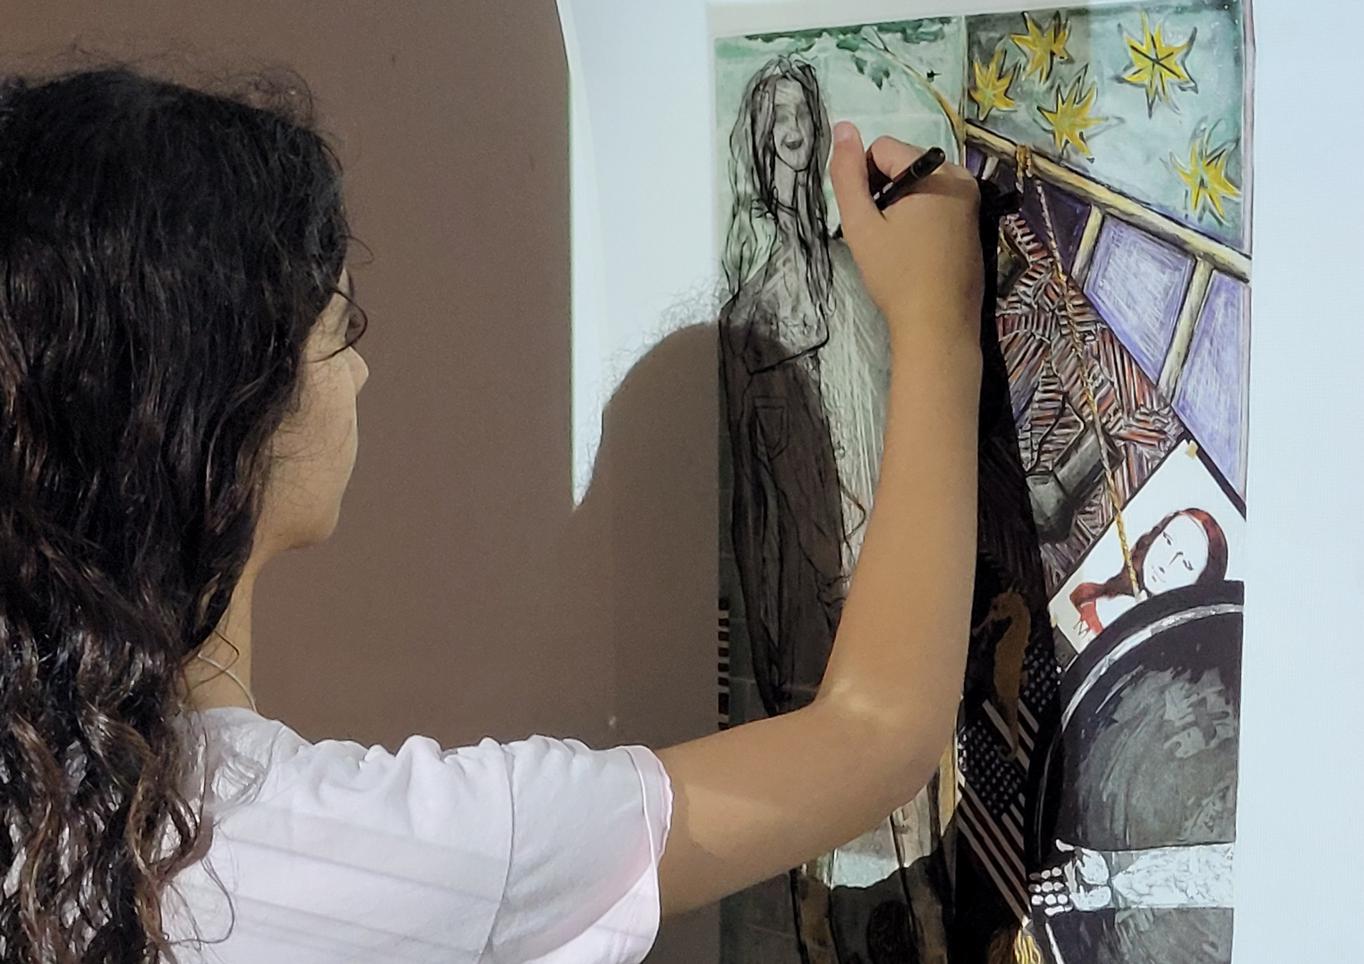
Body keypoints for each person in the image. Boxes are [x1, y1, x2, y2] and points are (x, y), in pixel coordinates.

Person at [0, 64, 983, 964]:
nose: (361, 373)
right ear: (228, 414)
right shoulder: (352, 856)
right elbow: (877, 732)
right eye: (341, 330)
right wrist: (938, 323)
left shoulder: (45, 809)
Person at [1069, 507, 1230, 642]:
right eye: (1167, 541)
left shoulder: (1158, 655)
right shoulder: (1088, 595)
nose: (1165, 563)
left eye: (1186, 564)